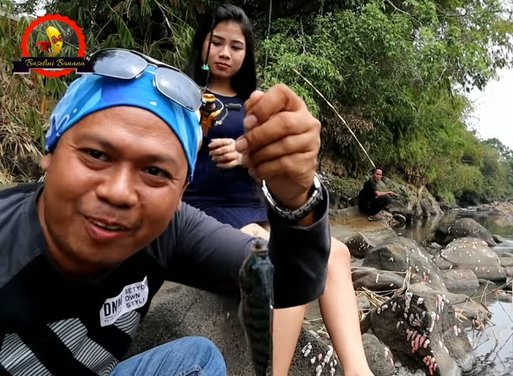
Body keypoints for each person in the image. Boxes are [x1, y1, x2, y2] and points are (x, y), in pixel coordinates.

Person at [0, 48, 331, 375]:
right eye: (96, 155)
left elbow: (288, 282)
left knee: (197, 357)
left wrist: (295, 199)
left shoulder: (169, 230)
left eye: (155, 172)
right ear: (50, 153)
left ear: (181, 191)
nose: (118, 192)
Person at [183, 5, 373, 376]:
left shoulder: (257, 103)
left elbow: (279, 171)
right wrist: (197, 133)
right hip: (201, 210)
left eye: (235, 46)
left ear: (247, 53)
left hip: (253, 211)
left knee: (336, 253)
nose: (225, 53)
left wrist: (246, 155)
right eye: (216, 42)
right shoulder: (183, 95)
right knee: (281, 258)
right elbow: (161, 162)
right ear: (202, 44)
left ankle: (358, 370)